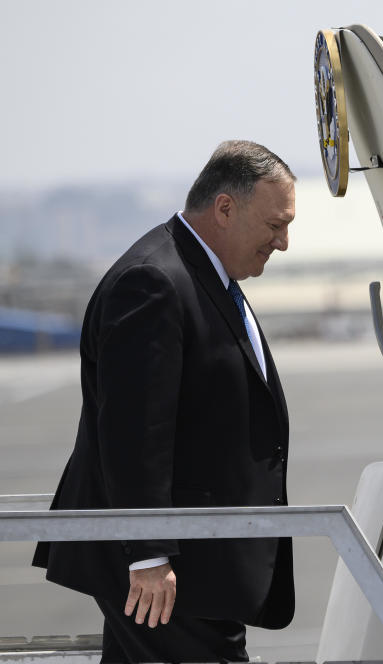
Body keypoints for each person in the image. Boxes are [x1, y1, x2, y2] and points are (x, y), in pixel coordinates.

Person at [32, 140, 297, 662]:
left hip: (195, 566)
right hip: (172, 573)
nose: (283, 242)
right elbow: (135, 433)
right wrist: (148, 552)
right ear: (225, 208)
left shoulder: (201, 272)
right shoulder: (154, 281)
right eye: (274, 225)